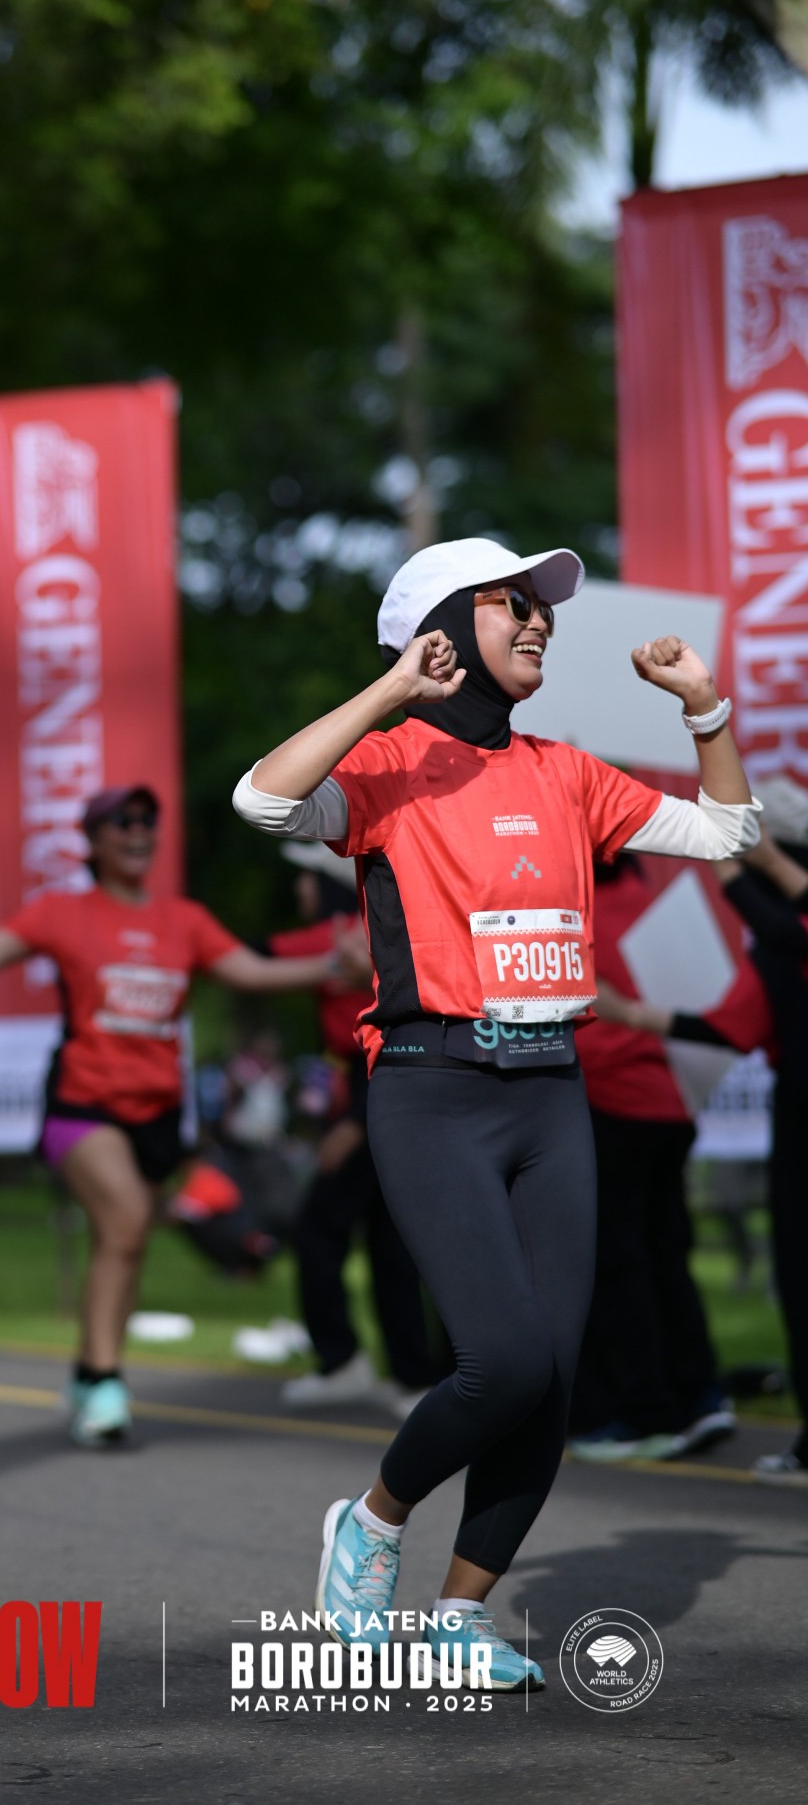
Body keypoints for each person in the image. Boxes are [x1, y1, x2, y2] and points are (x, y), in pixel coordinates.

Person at [233, 537, 758, 1691]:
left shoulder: (565, 771)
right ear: (436, 628)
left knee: (549, 1379)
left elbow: (726, 834)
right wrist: (387, 690)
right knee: (504, 1359)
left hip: (551, 1094)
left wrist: (702, 707)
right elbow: (262, 800)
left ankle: (459, 1615)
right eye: (508, 604)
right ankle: (370, 1521)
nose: (536, 622)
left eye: (539, 606)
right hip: (432, 1090)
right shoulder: (387, 762)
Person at [0, 783, 336, 1448]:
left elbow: (250, 971)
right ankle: (103, 1379)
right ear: (92, 839)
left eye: (147, 820)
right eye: (121, 822)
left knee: (123, 1243)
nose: (138, 831)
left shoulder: (183, 920)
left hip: (158, 1113)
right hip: (82, 1104)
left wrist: (339, 964)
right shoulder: (62, 912)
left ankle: (90, 1373)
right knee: (127, 1217)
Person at [598, 810, 808, 1487]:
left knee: (634, 1259)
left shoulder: (781, 934)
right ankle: (723, 1404)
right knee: (707, 1260)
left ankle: (660, 1407)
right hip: (737, 1113)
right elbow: (728, 1025)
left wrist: (737, 858)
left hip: (642, 1107)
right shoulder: (770, 945)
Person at [566, 853, 737, 1463]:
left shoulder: (575, 913)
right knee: (666, 1254)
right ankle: (699, 1393)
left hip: (613, 1100)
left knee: (618, 1263)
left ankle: (645, 1412)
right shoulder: (649, 898)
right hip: (672, 1100)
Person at [270, 842, 442, 1414]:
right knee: (390, 1241)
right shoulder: (379, 929)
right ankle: (413, 1376)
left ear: (331, 884)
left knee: (318, 1229)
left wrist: (354, 1120)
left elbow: (247, 956)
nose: (298, 888)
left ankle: (345, 1361)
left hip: (377, 1096)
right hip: (387, 1096)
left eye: (306, 877)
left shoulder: (341, 932)